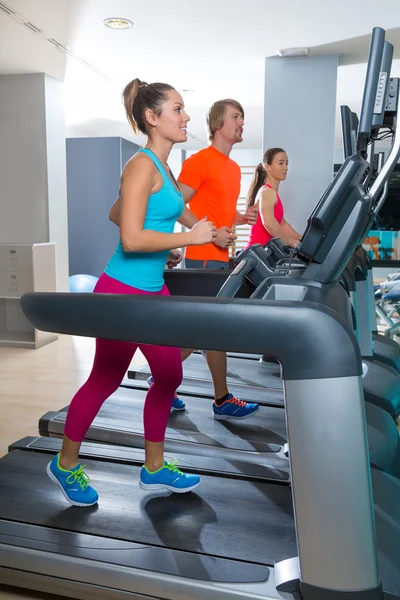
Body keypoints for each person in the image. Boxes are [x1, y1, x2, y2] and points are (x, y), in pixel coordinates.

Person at [47, 78, 217, 507]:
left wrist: (182, 242)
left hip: (151, 289)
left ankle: (154, 468)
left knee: (170, 374)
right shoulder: (141, 165)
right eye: (177, 109)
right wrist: (187, 241)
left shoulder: (163, 170)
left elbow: (118, 212)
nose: (186, 117)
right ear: (152, 117)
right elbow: (132, 241)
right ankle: (64, 465)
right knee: (105, 377)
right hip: (120, 292)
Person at [111, 99, 261, 419]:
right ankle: (213, 396)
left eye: (243, 117)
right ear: (218, 124)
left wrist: (238, 220)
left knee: (204, 332)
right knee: (207, 331)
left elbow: (215, 212)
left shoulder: (233, 168)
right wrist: (193, 237)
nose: (242, 122)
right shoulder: (199, 161)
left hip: (219, 256)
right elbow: (176, 204)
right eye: (236, 116)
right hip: (200, 259)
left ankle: (175, 383)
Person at [245, 148, 301, 249]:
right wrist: (292, 242)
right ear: (267, 167)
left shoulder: (273, 194)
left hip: (264, 254)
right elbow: (268, 222)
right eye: (280, 163)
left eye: (286, 163)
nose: (285, 168)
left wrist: (303, 241)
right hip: (255, 255)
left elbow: (283, 225)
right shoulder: (266, 192)